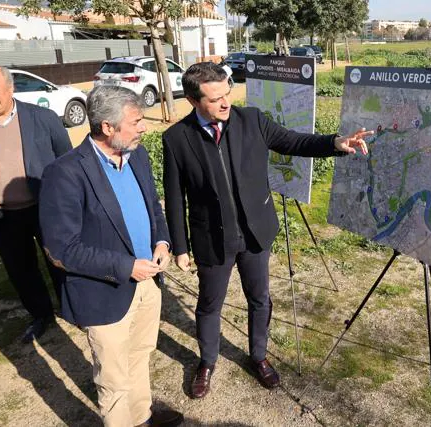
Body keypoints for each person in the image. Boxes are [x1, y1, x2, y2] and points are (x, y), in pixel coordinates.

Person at [162, 62, 371, 398]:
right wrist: (181, 247)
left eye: (227, 93)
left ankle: (258, 356)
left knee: (259, 298)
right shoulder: (176, 139)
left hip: (255, 233)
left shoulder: (252, 121)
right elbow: (174, 198)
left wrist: (335, 143)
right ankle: (207, 362)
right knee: (209, 304)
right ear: (192, 100)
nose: (226, 103)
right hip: (212, 238)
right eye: (215, 99)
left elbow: (294, 142)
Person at [39, 86, 182, 427]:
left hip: (148, 283)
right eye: (135, 121)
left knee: (140, 356)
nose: (143, 127)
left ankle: (142, 417)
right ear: (107, 127)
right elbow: (61, 249)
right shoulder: (65, 172)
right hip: (105, 293)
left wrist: (162, 242)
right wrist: (126, 266)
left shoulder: (138, 156)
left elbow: (153, 209)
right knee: (114, 380)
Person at [0, 66, 70, 344]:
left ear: (11, 89)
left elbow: (65, 157)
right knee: (21, 269)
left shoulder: (43, 118)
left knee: (61, 262)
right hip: (3, 214)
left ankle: (72, 308)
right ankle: (41, 314)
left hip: (46, 207)